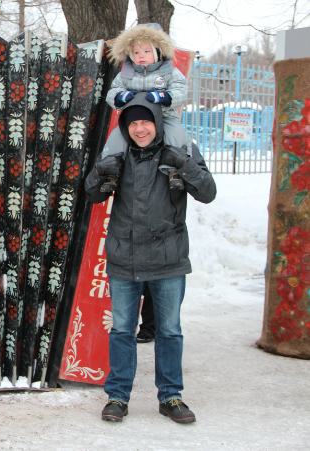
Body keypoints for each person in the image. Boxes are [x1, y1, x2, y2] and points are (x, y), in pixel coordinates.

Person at [86, 96, 216, 424]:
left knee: (169, 330)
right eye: (133, 122)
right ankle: (118, 396)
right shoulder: (118, 152)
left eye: (146, 121)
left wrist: (184, 164)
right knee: (122, 330)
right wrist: (100, 171)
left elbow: (208, 192)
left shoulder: (180, 149)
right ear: (125, 126)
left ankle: (171, 396)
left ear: (157, 122)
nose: (140, 129)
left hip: (168, 256)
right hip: (124, 256)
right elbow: (92, 194)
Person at [100, 23, 193, 193]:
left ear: (158, 52)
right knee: (116, 137)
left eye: (146, 51)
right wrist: (121, 97)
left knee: (176, 134)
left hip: (164, 116)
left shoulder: (169, 72)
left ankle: (175, 171)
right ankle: (111, 172)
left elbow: (180, 90)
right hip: (134, 120)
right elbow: (112, 91)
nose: (141, 55)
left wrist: (165, 96)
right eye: (136, 52)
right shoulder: (126, 75)